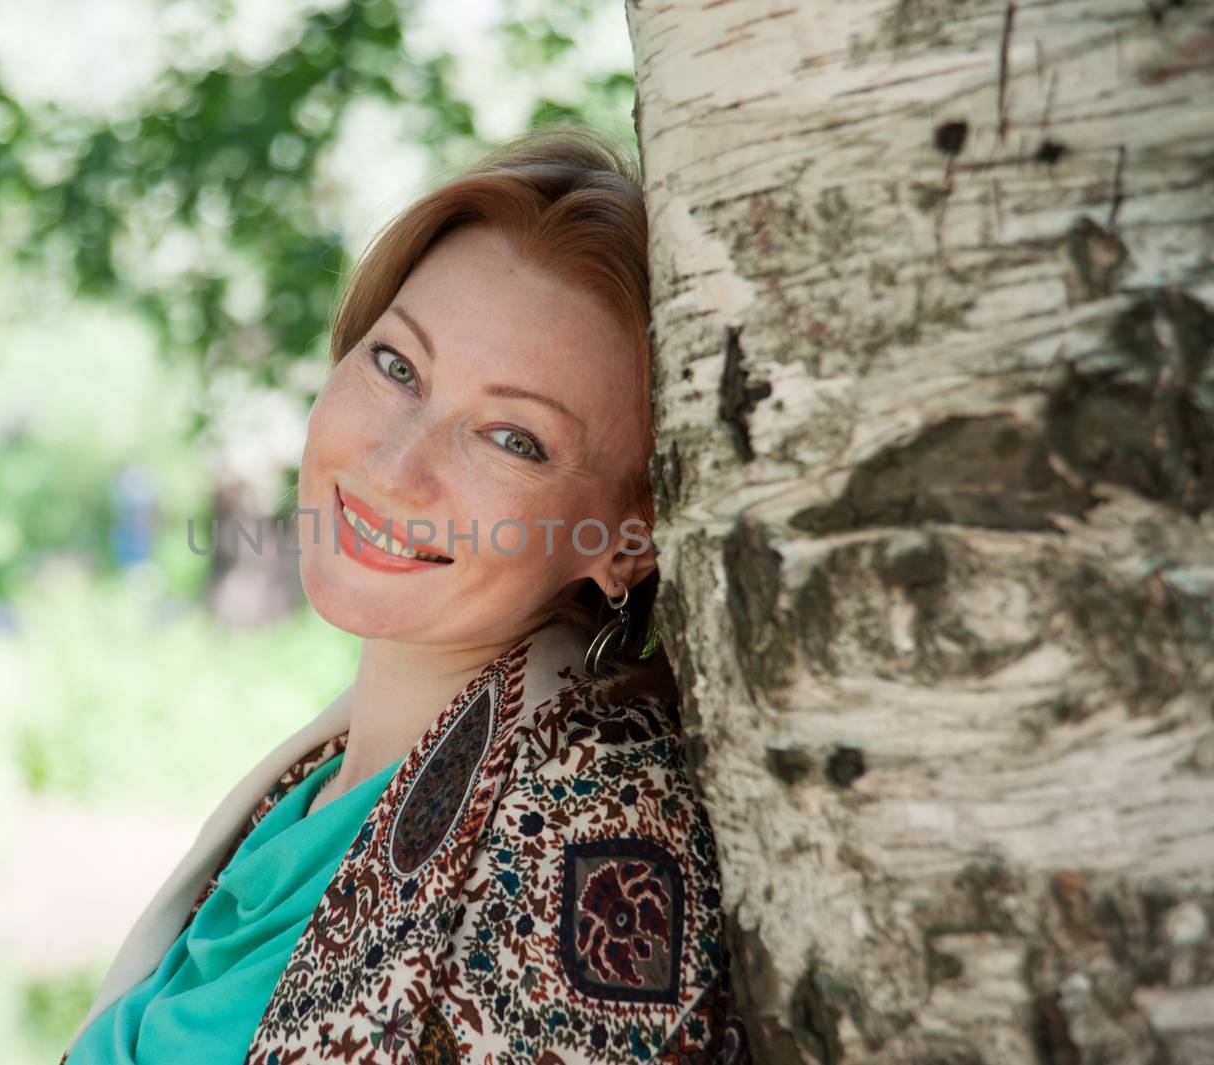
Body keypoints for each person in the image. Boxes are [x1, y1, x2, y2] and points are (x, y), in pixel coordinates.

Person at [61, 127, 750, 1065]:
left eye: (512, 438)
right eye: (398, 367)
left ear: (627, 540)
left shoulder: (597, 831)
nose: (393, 467)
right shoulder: (306, 787)